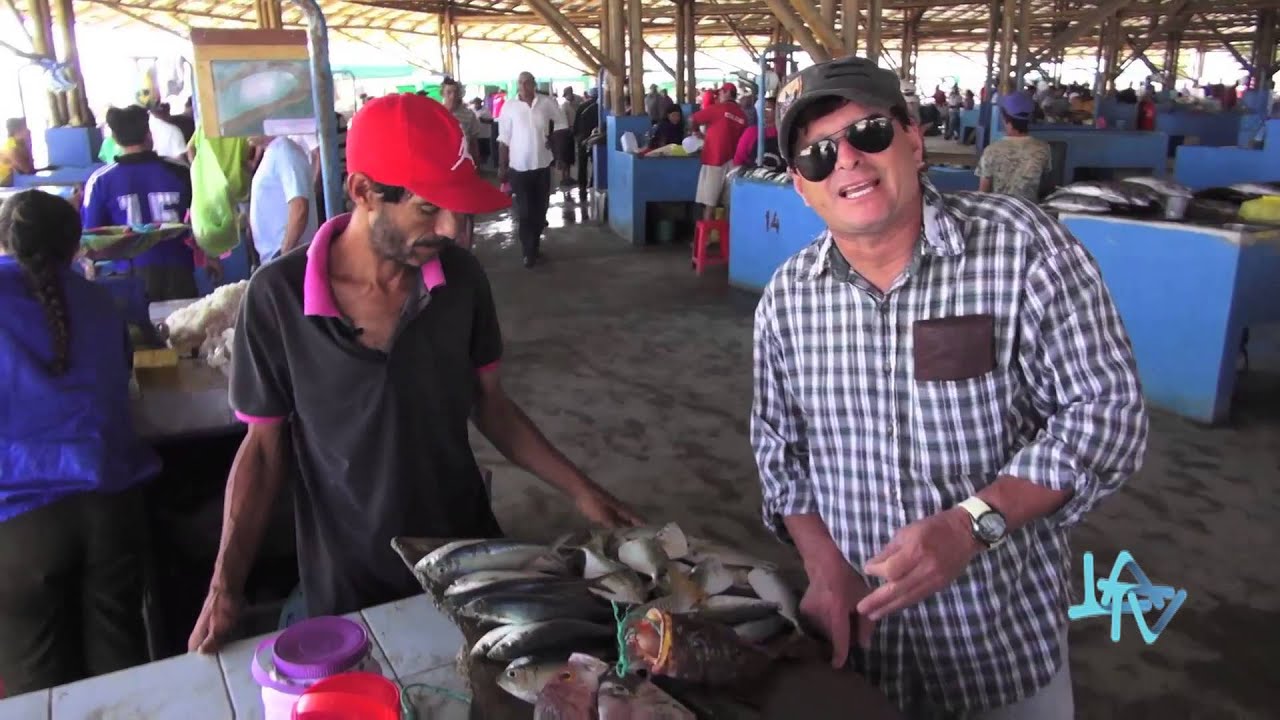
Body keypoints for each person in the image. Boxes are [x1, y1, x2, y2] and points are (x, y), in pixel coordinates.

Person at [755, 56, 1147, 718]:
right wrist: (825, 568)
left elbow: (1106, 413)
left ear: (912, 138)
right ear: (800, 185)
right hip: (862, 660)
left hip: (999, 657)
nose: (846, 159)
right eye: (818, 153)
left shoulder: (1025, 248)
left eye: (868, 132)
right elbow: (779, 451)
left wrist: (973, 523)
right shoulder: (788, 299)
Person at [187, 94, 639, 652]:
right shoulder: (277, 298)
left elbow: (490, 402)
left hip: (468, 558)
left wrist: (581, 489)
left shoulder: (462, 281)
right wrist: (225, 585)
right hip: (348, 575)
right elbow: (262, 448)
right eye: (429, 208)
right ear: (362, 192)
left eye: (457, 208)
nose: (451, 229)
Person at [0, 189, 161, 695]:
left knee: (38, 686)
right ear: (76, 247)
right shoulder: (99, 300)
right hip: (111, 504)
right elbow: (121, 373)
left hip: (21, 519)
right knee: (121, 676)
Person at [82, 105, 217, 301]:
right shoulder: (180, 171)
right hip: (178, 270)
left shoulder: (101, 181)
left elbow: (92, 238)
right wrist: (210, 257)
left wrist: (90, 268)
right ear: (149, 136)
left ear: (115, 139)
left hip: (130, 276)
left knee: (140, 330)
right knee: (181, 328)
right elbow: (201, 218)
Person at [498, 71, 567, 268]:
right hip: (518, 168)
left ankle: (534, 246)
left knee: (541, 210)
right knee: (525, 210)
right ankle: (528, 252)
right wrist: (502, 167)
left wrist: (557, 149)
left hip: (543, 165)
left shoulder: (546, 103)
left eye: (528, 82)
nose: (525, 86)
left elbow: (562, 125)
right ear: (517, 86)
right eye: (521, 83)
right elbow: (503, 138)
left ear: (534, 84)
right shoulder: (509, 107)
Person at [248, 134, 318, 266]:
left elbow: (299, 208)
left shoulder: (284, 150)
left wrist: (284, 255)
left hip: (288, 259)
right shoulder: (274, 152)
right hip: (278, 259)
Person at [976, 93, 1052, 202]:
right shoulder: (1043, 148)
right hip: (1030, 212)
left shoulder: (991, 151)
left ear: (1005, 118)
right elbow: (1045, 186)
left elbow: (982, 193)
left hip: (998, 212)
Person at [690, 82, 747, 221]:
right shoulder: (743, 115)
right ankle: (727, 239)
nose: (719, 95)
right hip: (734, 162)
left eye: (721, 92)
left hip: (714, 159)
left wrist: (696, 132)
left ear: (727, 93)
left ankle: (707, 239)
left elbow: (693, 119)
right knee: (729, 205)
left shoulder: (718, 109)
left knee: (710, 204)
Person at [442, 78, 482, 250]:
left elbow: (473, 141)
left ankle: (468, 245)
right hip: (443, 170)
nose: (452, 96)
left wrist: (476, 165)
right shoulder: (436, 112)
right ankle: (448, 245)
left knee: (468, 208)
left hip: (464, 168)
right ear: (442, 93)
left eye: (455, 92)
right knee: (446, 208)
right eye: (448, 92)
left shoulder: (468, 115)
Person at [732, 96, 780, 168]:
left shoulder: (784, 134)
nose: (764, 112)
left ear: (778, 111)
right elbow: (739, 159)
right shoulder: (751, 132)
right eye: (762, 109)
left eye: (768, 109)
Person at [572, 88, 600, 203]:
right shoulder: (601, 108)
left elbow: (576, 124)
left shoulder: (582, 106)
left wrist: (576, 136)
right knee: (595, 162)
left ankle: (582, 185)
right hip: (596, 138)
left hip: (582, 138)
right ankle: (593, 183)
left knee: (582, 163)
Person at [0, 117, 35, 186]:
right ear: (17, 131)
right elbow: (27, 170)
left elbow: (29, 167)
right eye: (25, 128)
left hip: (10, 182)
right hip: (2, 184)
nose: (28, 131)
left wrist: (29, 142)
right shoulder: (11, 148)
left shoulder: (20, 144)